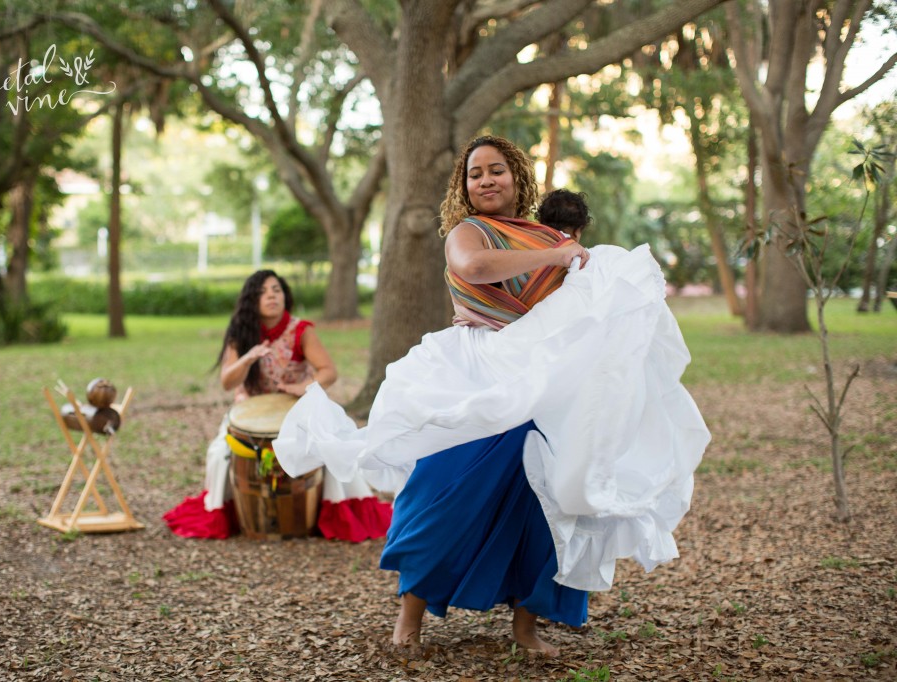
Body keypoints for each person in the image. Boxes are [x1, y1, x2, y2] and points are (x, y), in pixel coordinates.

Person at [274, 136, 710, 654]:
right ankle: (409, 617)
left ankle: (525, 627)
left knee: (541, 501)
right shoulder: (470, 232)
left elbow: (576, 309)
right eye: (475, 173)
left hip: (539, 377)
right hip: (475, 369)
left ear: (517, 176)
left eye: (496, 170)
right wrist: (557, 253)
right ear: (464, 187)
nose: (485, 180)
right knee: (444, 488)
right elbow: (475, 268)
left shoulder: (544, 235)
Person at [163, 269, 392, 542]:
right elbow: (227, 382)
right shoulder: (241, 332)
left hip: (297, 410)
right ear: (252, 300)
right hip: (251, 415)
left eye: (276, 290)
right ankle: (234, 511)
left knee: (330, 447)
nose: (271, 296)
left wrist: (303, 386)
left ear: (285, 295)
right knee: (218, 452)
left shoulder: (301, 330)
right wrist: (248, 358)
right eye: (263, 292)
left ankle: (324, 509)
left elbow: (328, 371)